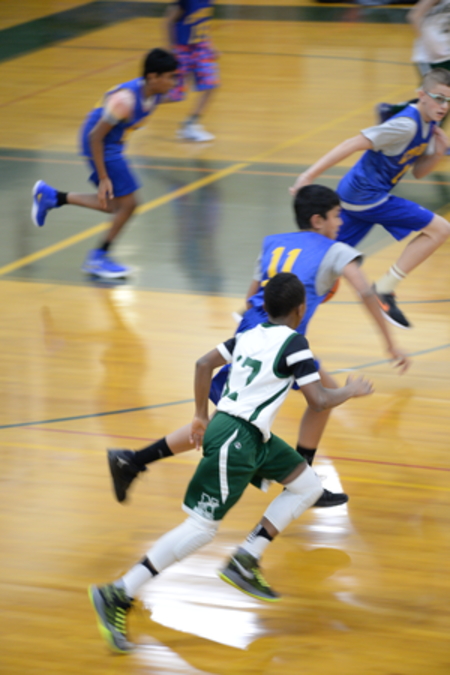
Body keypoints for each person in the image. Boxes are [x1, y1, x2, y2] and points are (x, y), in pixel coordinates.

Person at [89, 273, 374, 652]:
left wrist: (199, 414)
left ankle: (246, 558)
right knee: (200, 529)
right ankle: (118, 592)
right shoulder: (295, 343)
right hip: (237, 438)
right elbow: (319, 400)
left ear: (265, 307)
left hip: (251, 435)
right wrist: (350, 391)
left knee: (307, 485)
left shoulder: (249, 334)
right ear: (301, 309)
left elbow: (203, 363)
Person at [106, 185, 409, 509]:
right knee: (231, 420)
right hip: (276, 340)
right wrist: (390, 343)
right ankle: (133, 460)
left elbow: (252, 293)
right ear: (317, 220)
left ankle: (302, 481)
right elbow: (366, 292)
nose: (341, 222)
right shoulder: (335, 251)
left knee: (316, 400)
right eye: (336, 215)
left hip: (258, 328)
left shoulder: (273, 243)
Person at [290, 69, 450, 330]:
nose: (444, 106)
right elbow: (351, 143)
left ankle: (263, 308)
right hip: (366, 197)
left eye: (448, 101)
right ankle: (384, 289)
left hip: (358, 197)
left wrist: (438, 152)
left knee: (323, 261)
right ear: (422, 95)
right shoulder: (405, 125)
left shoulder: (428, 123)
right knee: (441, 229)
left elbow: (419, 172)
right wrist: (307, 175)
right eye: (439, 98)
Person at [31, 48, 178, 279]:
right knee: (129, 205)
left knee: (115, 206)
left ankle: (52, 197)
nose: (174, 82)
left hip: (113, 145)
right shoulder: (125, 101)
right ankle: (98, 258)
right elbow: (95, 137)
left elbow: (181, 93)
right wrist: (103, 177)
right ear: (153, 77)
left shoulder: (155, 93)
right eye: (170, 77)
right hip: (99, 143)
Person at [378, 0, 450, 123]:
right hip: (430, 57)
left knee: (443, 98)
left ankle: (392, 110)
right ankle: (392, 110)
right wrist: (428, 42)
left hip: (446, 52)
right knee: (435, 98)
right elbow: (414, 16)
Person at [165, 0, 218, 142]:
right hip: (182, 49)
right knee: (175, 94)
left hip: (200, 47)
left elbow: (203, 23)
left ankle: (190, 124)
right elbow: (168, 21)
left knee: (211, 84)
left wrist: (211, 45)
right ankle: (139, 103)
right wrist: (171, 49)